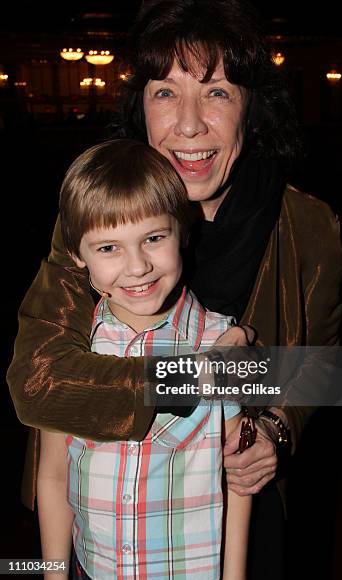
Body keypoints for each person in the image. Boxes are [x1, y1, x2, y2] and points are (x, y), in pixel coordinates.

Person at [7, 0, 342, 578]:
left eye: (216, 92)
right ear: (142, 106)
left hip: (230, 518)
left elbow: (336, 364)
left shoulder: (308, 225)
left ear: (251, 108)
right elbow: (37, 382)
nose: (189, 124)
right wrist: (203, 374)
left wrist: (275, 428)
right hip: (98, 518)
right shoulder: (97, 218)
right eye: (166, 92)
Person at [37, 138, 251, 580]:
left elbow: (239, 476)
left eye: (153, 238)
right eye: (108, 248)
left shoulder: (219, 343)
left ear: (181, 231)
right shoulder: (67, 349)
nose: (137, 267)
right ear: (76, 254)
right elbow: (55, 475)